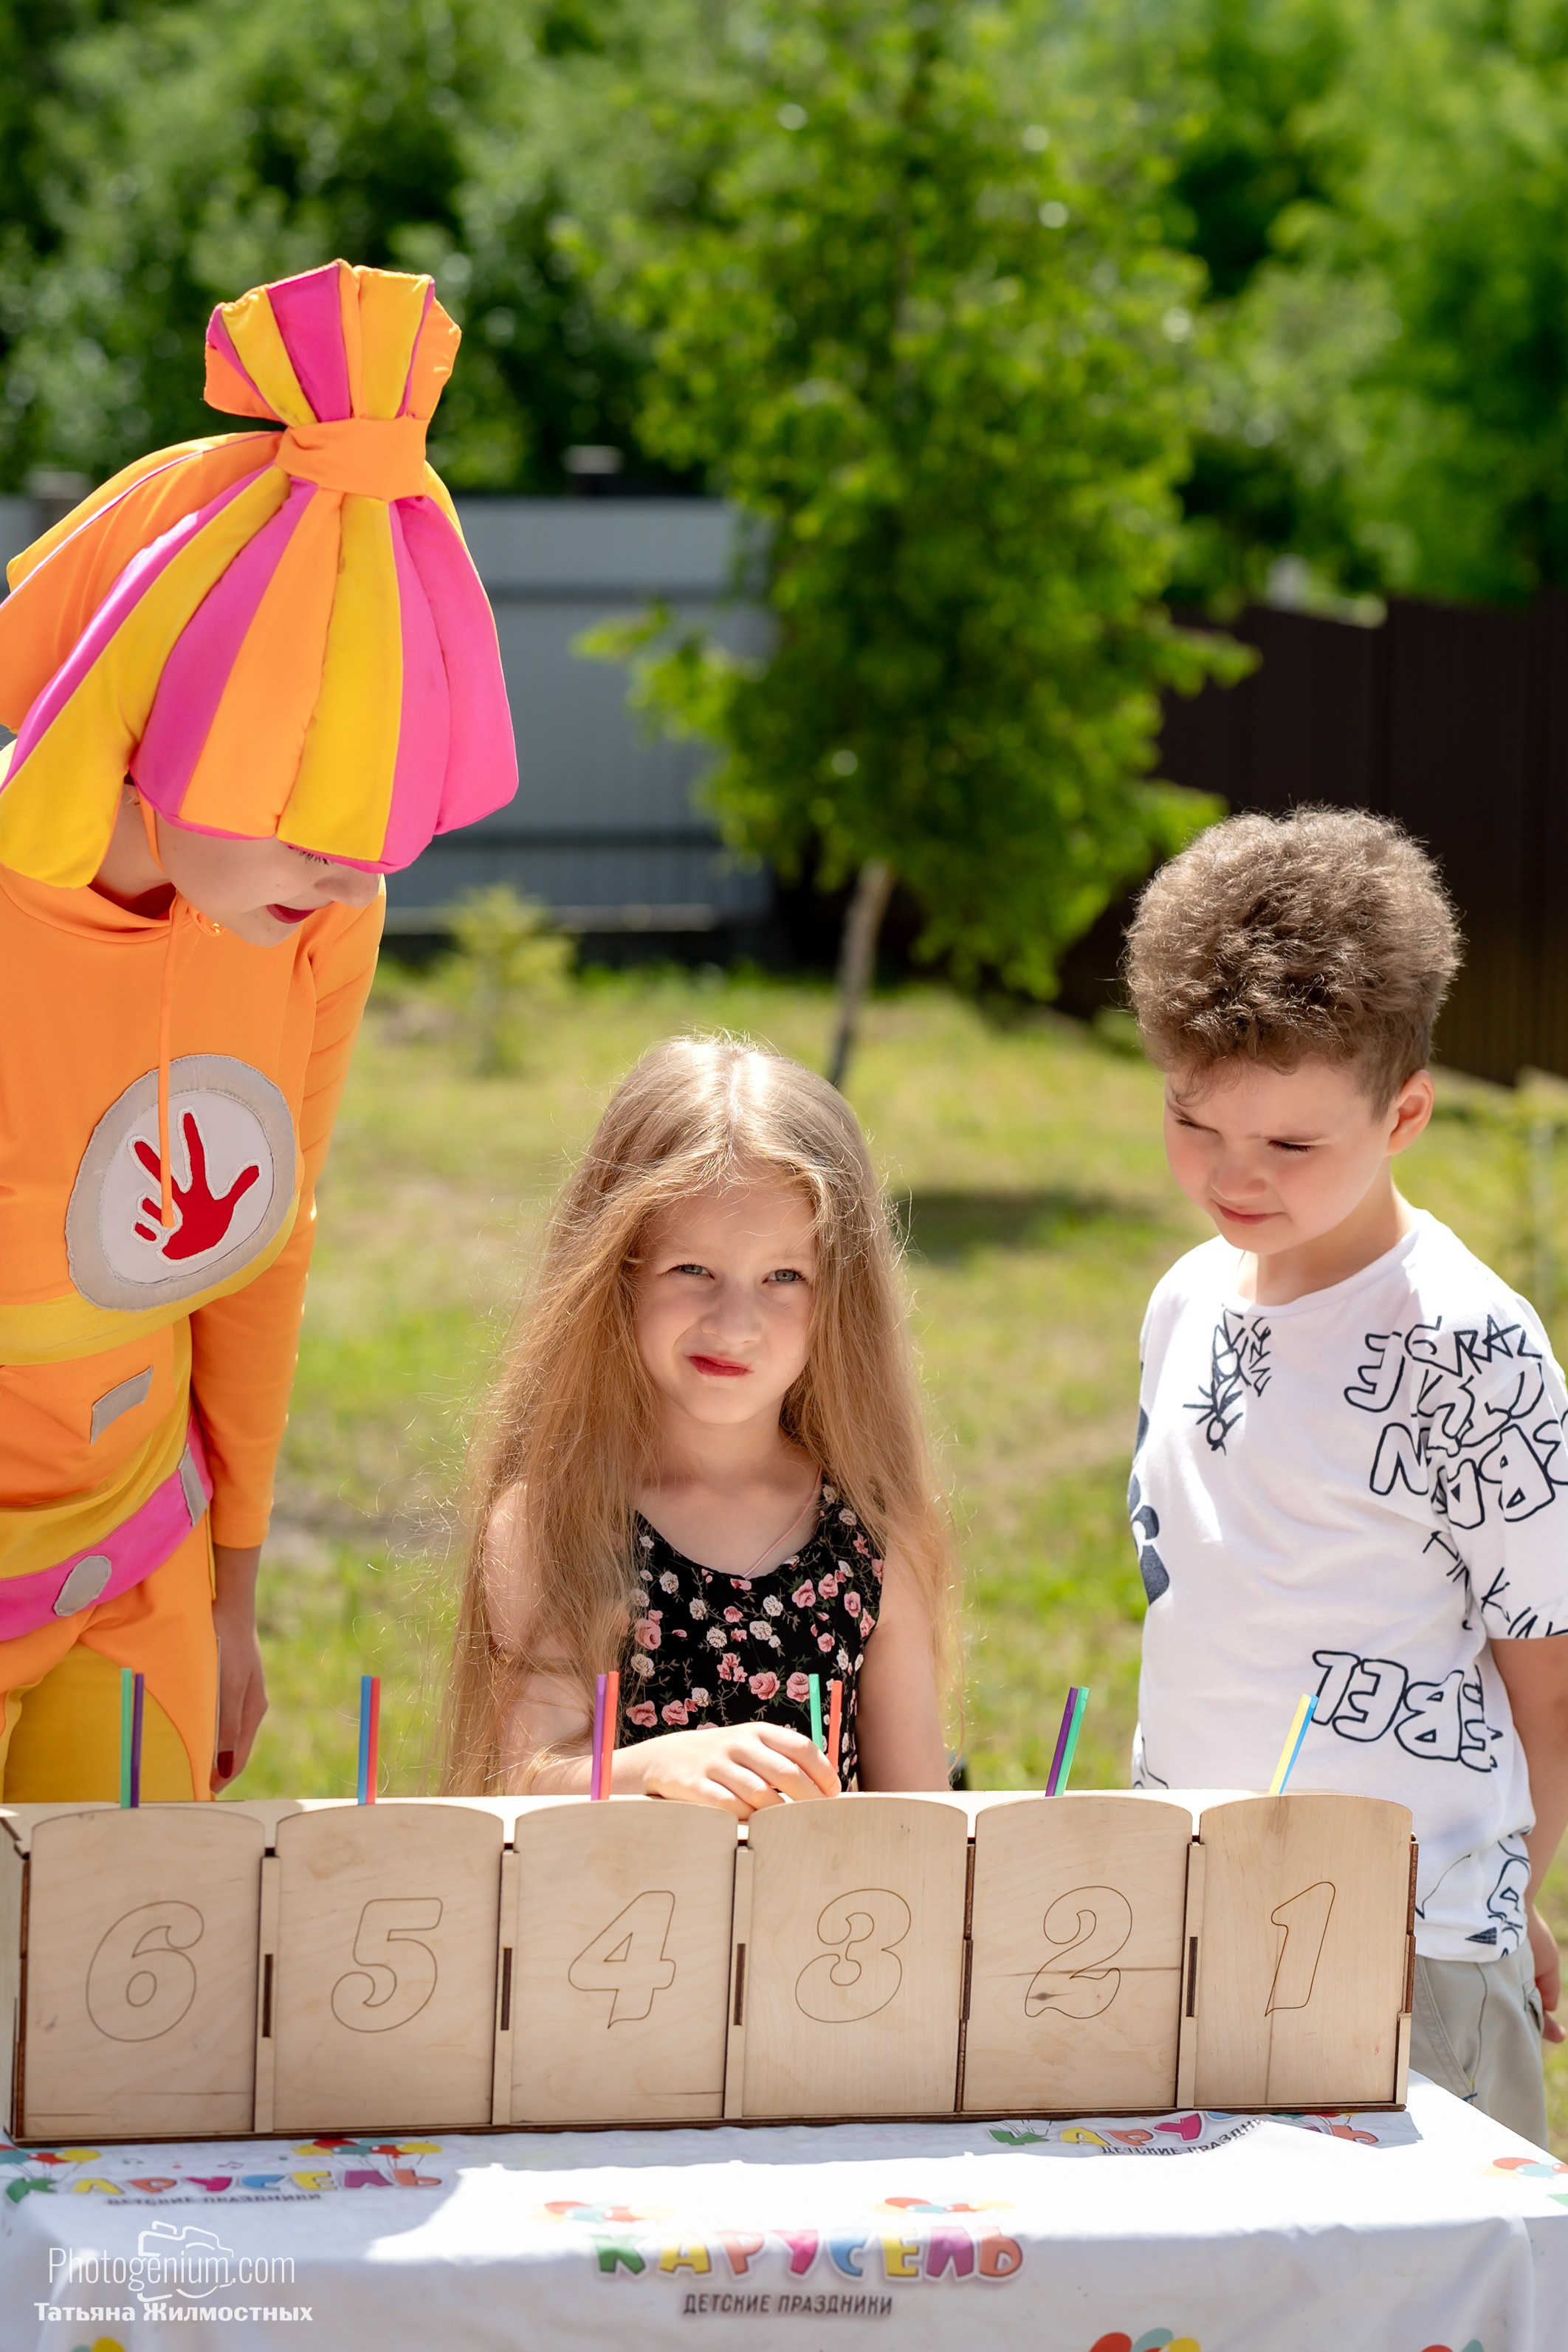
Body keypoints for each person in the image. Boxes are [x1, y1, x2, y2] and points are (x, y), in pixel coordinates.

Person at [0, 259, 516, 1803]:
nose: (349, 872)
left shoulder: (315, 926)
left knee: (117, 2021)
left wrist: (229, 1593)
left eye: (380, 828)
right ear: (156, 719)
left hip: (132, 1577)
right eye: (305, 813)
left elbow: (267, 1246)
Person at [1121, 806, 1568, 2144]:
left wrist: (1500, 1893)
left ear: (1405, 1111)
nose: (1230, 1177)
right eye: (1193, 1124)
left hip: (1402, 1955)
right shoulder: (1184, 1299)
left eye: (1291, 1146)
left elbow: (1542, 1671)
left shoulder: (1470, 1348)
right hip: (1187, 1922)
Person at [444, 1035, 956, 1812]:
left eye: (785, 1276)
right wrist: (654, 1768)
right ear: (617, 1270)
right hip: (614, 1933)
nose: (736, 1322)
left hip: (827, 1932)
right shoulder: (556, 1519)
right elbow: (528, 1781)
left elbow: (919, 1816)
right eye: (693, 1270)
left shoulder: (874, 1539)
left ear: (840, 1298)